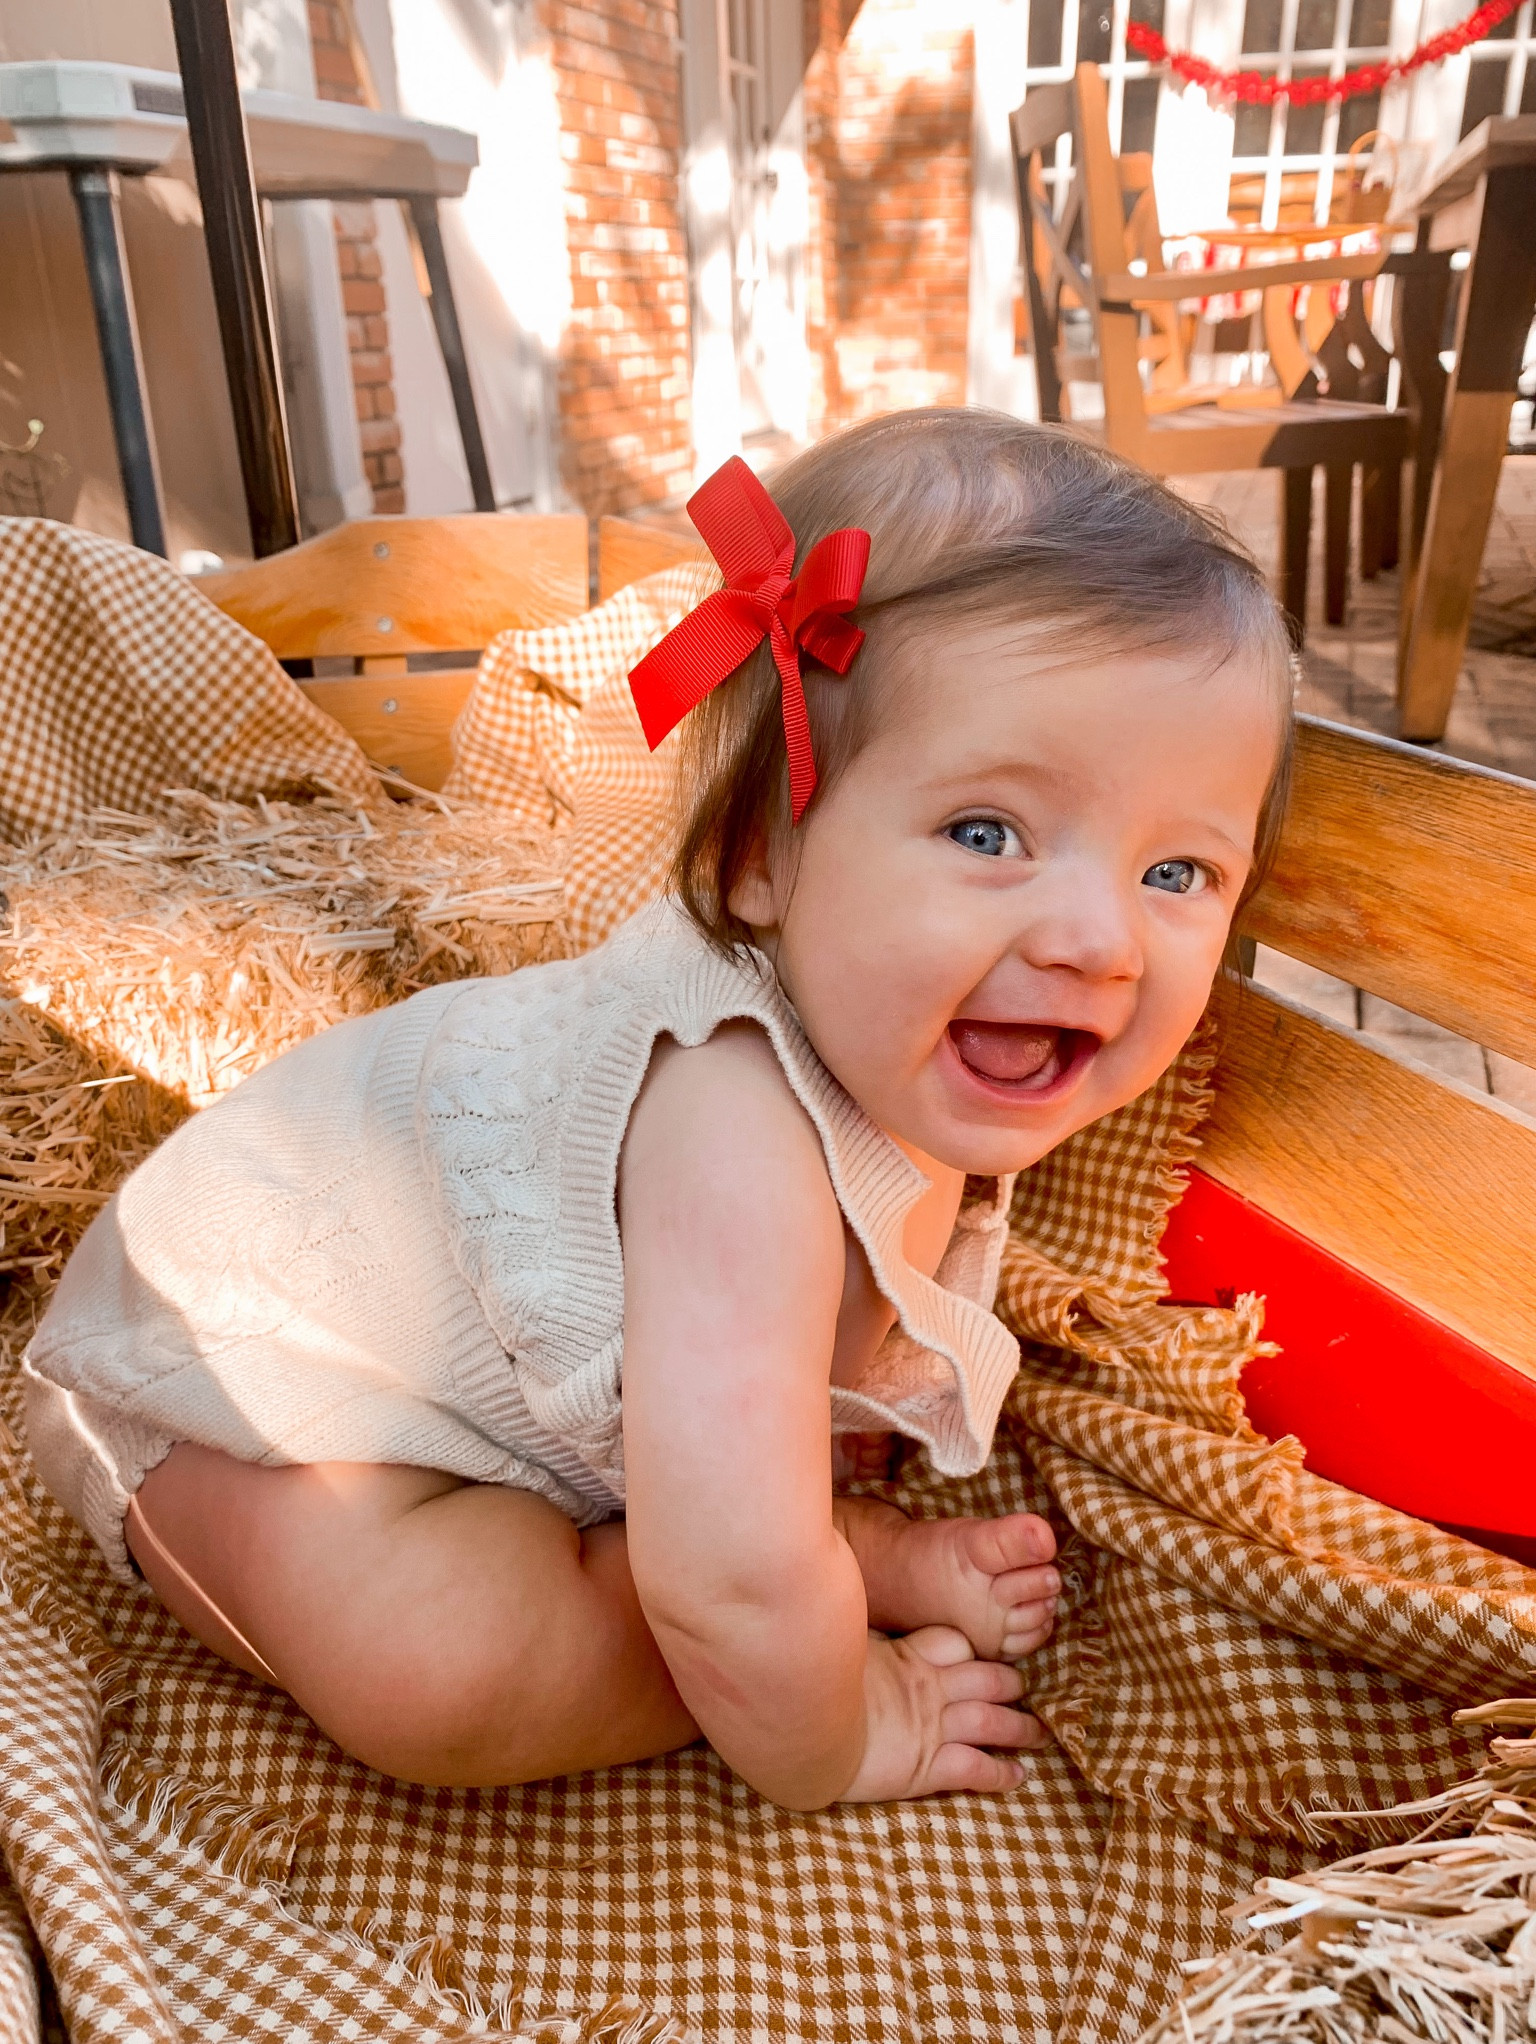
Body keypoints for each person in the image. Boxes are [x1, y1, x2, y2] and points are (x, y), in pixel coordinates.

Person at [24, 410, 1293, 1810]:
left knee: (710, 1537)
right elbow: (734, 1581)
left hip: (513, 1433)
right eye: (988, 834)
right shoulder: (737, 1125)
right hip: (246, 1396)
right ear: (757, 860)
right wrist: (847, 1726)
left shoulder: (906, 1041)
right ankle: (836, 1567)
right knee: (443, 1669)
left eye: (1178, 873)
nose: (1099, 942)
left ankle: (828, 1550)